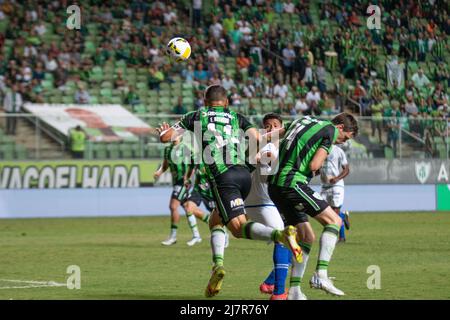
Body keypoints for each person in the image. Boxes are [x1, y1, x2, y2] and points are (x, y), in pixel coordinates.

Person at [158, 85, 301, 298]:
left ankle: (279, 234)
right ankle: (217, 266)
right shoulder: (237, 116)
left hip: (222, 177)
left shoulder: (195, 115)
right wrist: (286, 129)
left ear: (205, 102)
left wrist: (163, 131)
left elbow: (167, 137)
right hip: (243, 175)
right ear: (226, 102)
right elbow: (261, 139)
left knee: (236, 228)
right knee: (216, 220)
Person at [268, 113, 358, 297]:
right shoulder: (330, 131)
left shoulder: (303, 119)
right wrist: (317, 163)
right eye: (345, 138)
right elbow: (314, 165)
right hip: (292, 183)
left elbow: (271, 136)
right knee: (334, 221)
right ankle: (321, 274)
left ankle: (294, 291)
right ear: (340, 127)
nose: (341, 142)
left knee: (307, 236)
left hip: (274, 186)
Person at [244, 113, 291, 300]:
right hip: (262, 203)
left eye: (275, 125)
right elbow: (265, 157)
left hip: (264, 202)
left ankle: (270, 282)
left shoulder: (278, 146)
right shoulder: (268, 145)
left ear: (281, 127)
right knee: (284, 239)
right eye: (267, 126)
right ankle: (278, 293)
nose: (271, 129)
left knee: (298, 243)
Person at [153, 136, 200, 246]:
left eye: (176, 133)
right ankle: (197, 235)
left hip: (184, 182)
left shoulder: (186, 148)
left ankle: (173, 236)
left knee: (173, 206)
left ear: (180, 136)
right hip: (176, 182)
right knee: (189, 208)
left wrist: (188, 177)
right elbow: (165, 165)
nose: (174, 136)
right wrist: (159, 172)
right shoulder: (168, 149)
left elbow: (194, 163)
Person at [320, 145, 351, 243]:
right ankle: (343, 216)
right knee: (324, 212)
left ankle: (340, 238)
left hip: (336, 185)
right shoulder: (318, 149)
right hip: (324, 185)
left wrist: (337, 178)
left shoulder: (338, 151)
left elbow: (346, 169)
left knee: (334, 213)